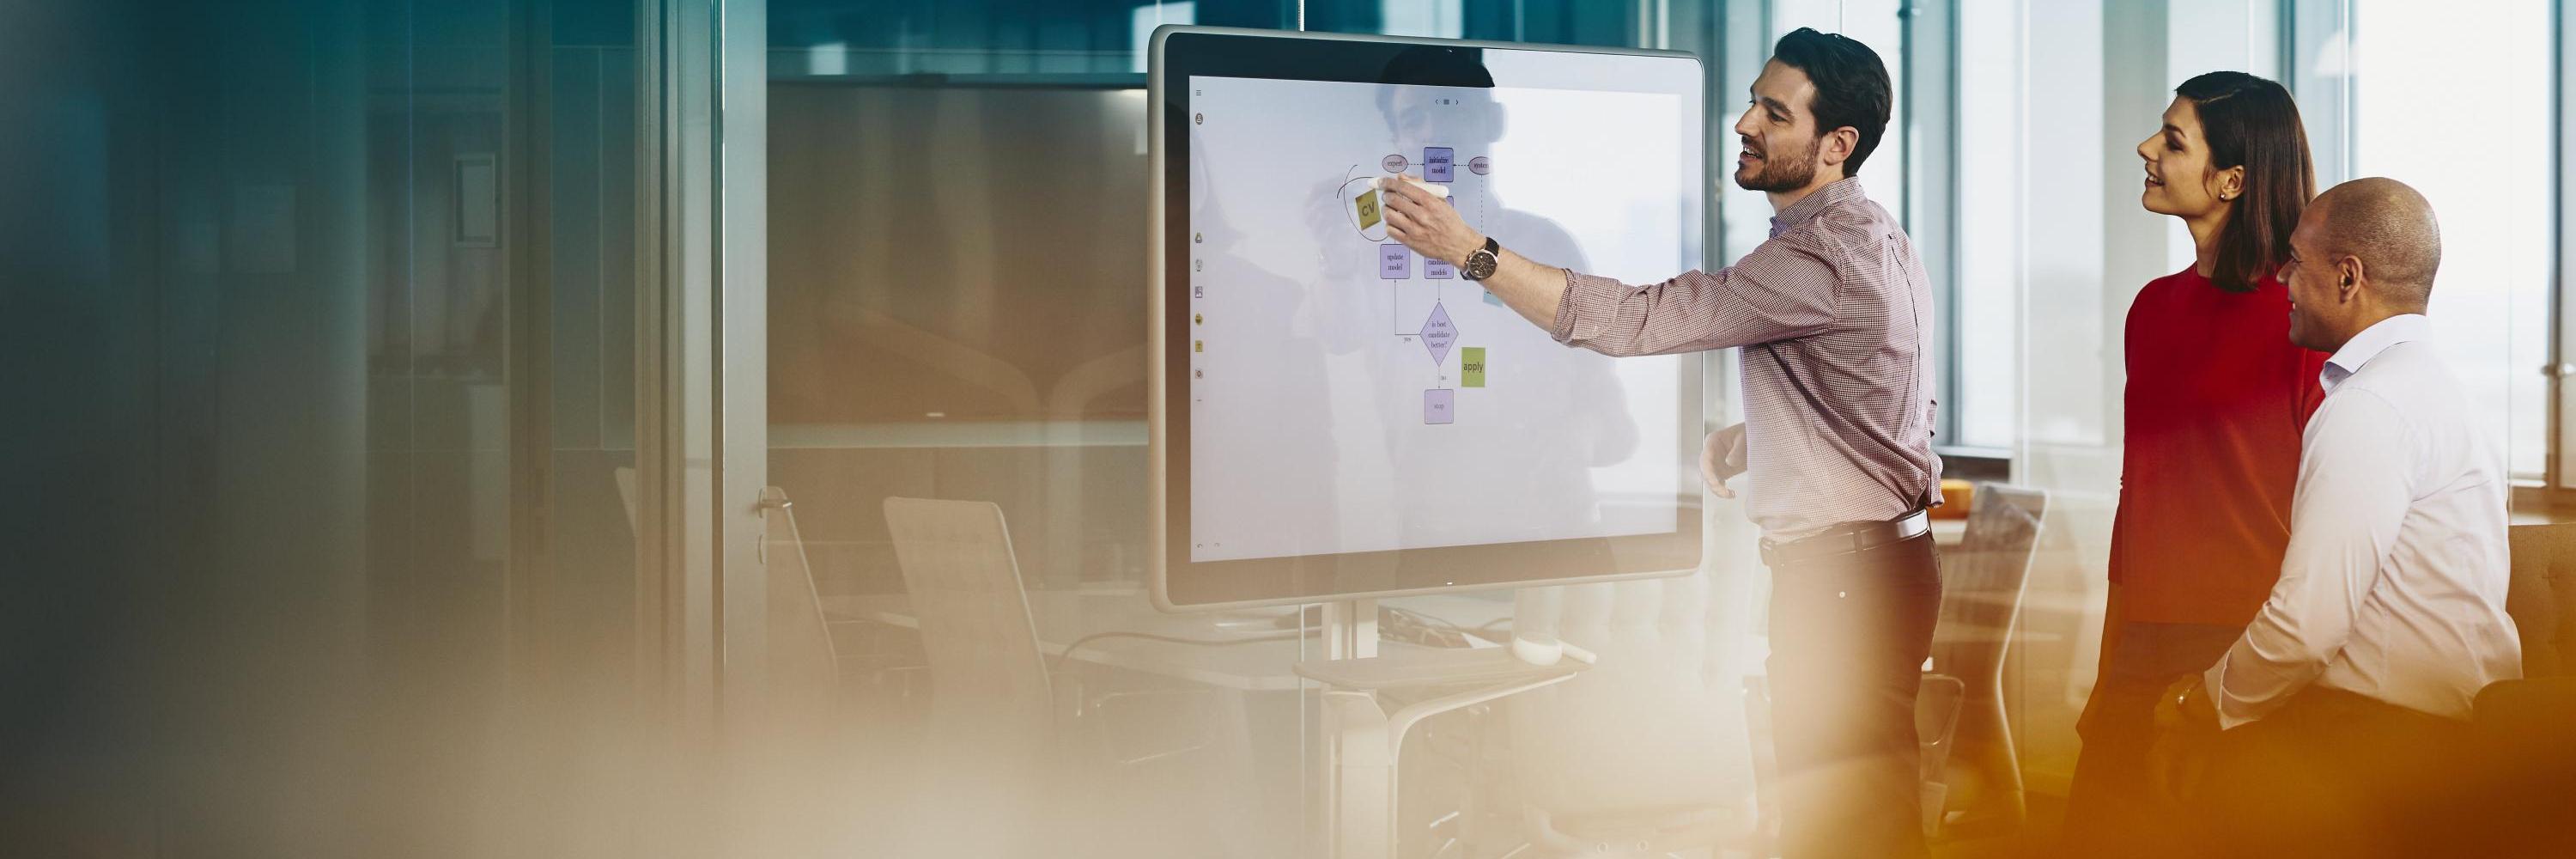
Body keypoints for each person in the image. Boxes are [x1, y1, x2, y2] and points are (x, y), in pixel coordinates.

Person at [1380, 27, 1941, 858]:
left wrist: (1470, 251)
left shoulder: (1816, 256)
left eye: (1773, 113)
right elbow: (1890, 379)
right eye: (1753, 98)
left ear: (1836, 145)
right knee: (1857, 814)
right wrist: (1772, 434)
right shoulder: (1869, 231)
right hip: (1878, 569)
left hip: (1845, 583)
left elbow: (1642, 319)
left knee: (1850, 826)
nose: (1744, 122)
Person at [2154, 177, 2523, 859]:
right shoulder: (2438, 386)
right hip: (2456, 729)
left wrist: (2199, 703)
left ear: (2348, 277)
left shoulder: (2371, 406)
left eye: (2297, 260)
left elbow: (2307, 625)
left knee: (2167, 787)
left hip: (2381, 736)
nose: (2285, 278)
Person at [2059, 70, 2327, 856]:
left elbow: (2328, 514)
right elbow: (2137, 503)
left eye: (2173, 140)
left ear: (2233, 179)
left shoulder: (2303, 320)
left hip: (2251, 652)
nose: (2146, 148)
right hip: (2144, 644)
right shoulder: (2154, 308)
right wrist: (2111, 665)